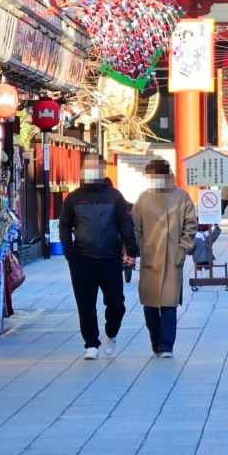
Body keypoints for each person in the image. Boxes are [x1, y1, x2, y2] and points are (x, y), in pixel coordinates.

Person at [58, 151, 138, 359]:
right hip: (82, 258)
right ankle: (91, 343)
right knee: (85, 303)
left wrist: (131, 250)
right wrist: (69, 253)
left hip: (110, 257)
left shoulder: (114, 196)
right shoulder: (74, 197)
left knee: (116, 303)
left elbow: (125, 224)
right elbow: (65, 226)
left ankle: (111, 333)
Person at [132, 157, 196, 357]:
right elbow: (135, 227)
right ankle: (155, 341)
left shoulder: (182, 196)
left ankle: (166, 345)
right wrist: (134, 249)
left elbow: (190, 225)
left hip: (172, 256)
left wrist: (183, 247)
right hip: (150, 256)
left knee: (169, 304)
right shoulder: (143, 198)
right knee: (150, 305)